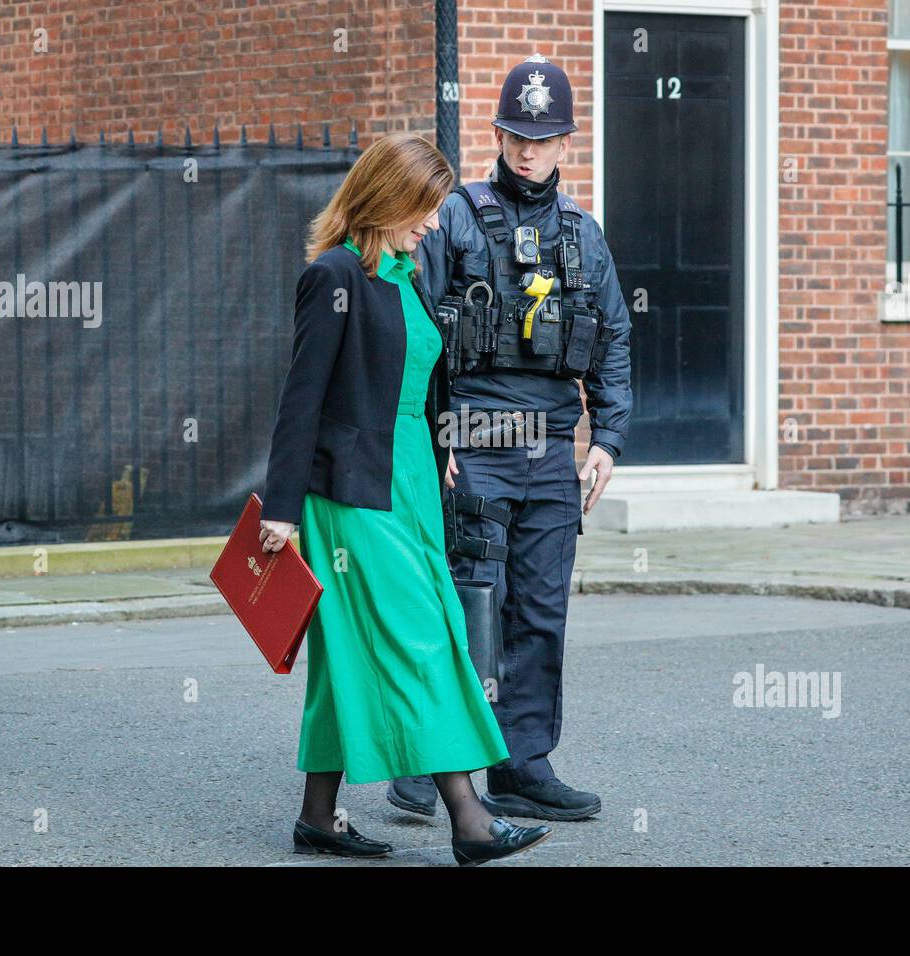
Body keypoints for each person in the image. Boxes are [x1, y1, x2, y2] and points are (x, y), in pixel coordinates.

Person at [257, 132, 551, 867]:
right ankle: (469, 817)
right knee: (421, 639)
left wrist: (441, 453)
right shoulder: (334, 277)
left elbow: (417, 382)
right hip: (356, 497)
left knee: (347, 657)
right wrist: (280, 509)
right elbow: (302, 399)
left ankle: (317, 816)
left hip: (414, 482)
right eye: (421, 210)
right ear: (386, 200)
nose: (430, 226)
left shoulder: (407, 275)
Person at [390, 54, 633, 822]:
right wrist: (439, 436)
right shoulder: (455, 217)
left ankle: (522, 763)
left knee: (538, 610)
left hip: (551, 451)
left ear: (566, 142)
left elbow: (614, 336)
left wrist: (610, 438)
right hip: (474, 439)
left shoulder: (583, 234)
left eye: (545, 137)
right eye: (518, 136)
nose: (529, 151)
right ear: (497, 133)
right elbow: (417, 327)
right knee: (470, 606)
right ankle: (433, 764)